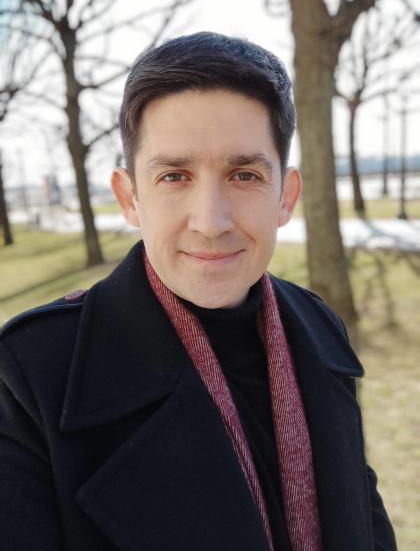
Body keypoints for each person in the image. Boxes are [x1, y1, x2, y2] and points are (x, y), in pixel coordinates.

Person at [0, 32, 397, 551]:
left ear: (286, 196)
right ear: (129, 198)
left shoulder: (319, 327)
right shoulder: (30, 375)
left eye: (244, 175)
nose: (211, 222)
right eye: (174, 176)